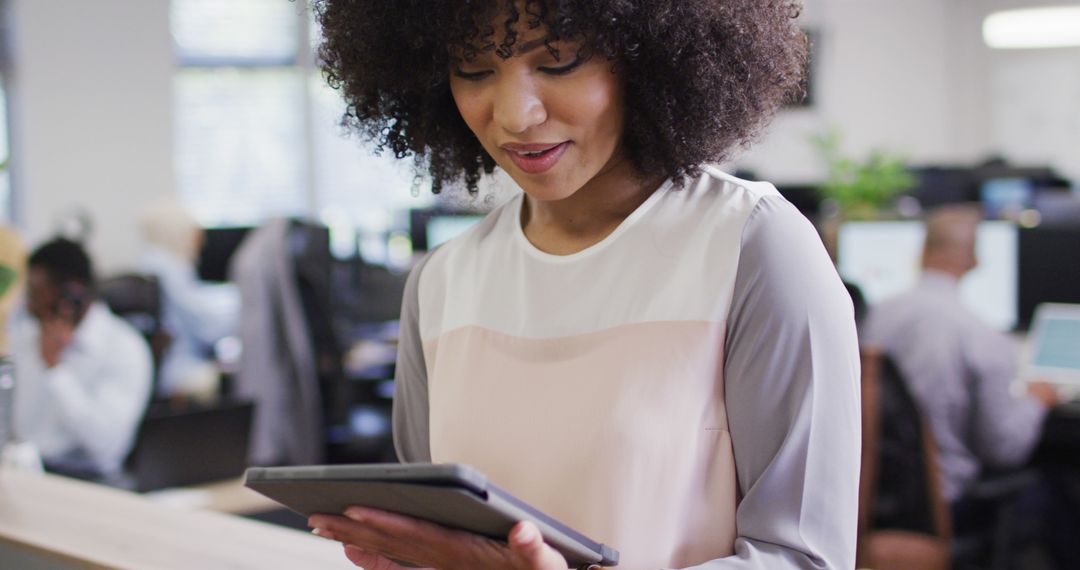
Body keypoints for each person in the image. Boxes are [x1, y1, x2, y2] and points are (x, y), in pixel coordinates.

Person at [308, 1, 861, 569]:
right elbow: (441, 537)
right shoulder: (441, 281)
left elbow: (805, 559)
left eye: (559, 61)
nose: (516, 115)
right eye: (473, 71)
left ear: (648, 57)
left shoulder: (752, 246)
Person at [863, 204, 1058, 504]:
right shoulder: (983, 336)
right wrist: (1036, 399)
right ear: (974, 259)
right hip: (941, 499)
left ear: (923, 251)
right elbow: (1003, 449)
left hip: (870, 492)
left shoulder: (874, 317)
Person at [8, 238, 152, 477]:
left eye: (36, 294)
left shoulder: (124, 348)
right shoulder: (28, 337)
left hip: (90, 481)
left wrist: (55, 370)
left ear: (71, 296)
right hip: (28, 472)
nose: (29, 306)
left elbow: (104, 445)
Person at [136, 199, 239, 397]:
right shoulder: (167, 267)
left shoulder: (152, 261)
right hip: (177, 368)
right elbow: (205, 327)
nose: (200, 241)